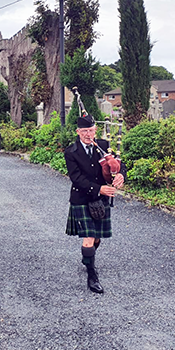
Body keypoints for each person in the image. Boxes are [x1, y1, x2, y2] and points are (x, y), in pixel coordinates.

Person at [64, 113, 126, 294]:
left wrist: (121, 175)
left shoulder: (103, 146)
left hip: (101, 200)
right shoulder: (71, 151)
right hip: (82, 198)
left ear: (95, 130)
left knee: (97, 238)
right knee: (89, 237)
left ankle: (88, 258)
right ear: (78, 132)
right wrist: (99, 189)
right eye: (84, 131)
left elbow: (118, 165)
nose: (88, 135)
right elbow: (76, 178)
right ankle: (92, 276)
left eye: (91, 131)